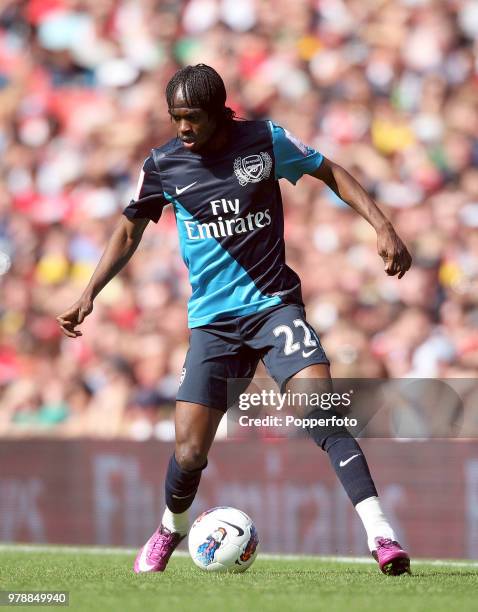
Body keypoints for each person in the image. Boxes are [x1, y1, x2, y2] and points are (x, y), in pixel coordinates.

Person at [57, 64, 412, 575]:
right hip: (213, 325)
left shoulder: (265, 141)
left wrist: (383, 226)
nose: (183, 128)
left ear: (219, 112)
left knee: (323, 414)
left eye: (192, 118)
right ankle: (169, 530)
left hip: (274, 307)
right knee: (189, 449)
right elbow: (129, 230)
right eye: (175, 118)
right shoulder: (162, 165)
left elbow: (328, 170)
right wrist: (89, 292)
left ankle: (382, 537)